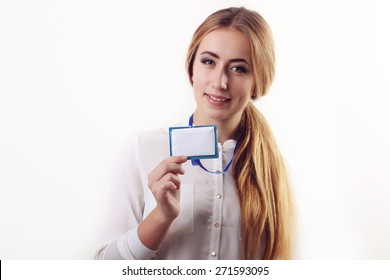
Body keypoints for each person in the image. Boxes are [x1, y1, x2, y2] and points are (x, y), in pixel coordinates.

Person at [95, 6, 296, 260]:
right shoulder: (142, 150)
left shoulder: (277, 173)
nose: (220, 82)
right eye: (209, 62)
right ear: (191, 68)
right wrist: (161, 216)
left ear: (258, 80)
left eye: (238, 68)